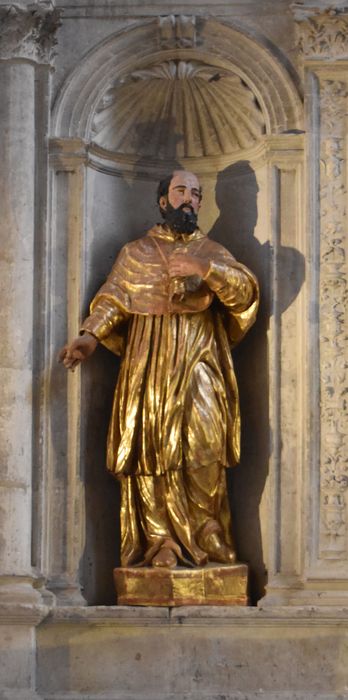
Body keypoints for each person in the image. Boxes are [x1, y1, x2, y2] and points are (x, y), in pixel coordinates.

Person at [59, 170, 259, 570]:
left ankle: (207, 529)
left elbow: (246, 292)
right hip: (148, 363)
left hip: (201, 359)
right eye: (181, 191)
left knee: (206, 442)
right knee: (147, 446)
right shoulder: (136, 253)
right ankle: (160, 540)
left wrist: (205, 270)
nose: (189, 199)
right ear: (163, 200)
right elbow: (114, 298)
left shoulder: (212, 251)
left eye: (196, 194)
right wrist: (90, 336)